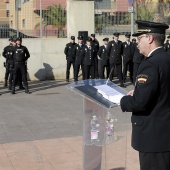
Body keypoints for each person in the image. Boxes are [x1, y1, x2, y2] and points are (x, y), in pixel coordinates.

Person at [120, 20, 170, 170]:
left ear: (150, 38)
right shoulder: (167, 58)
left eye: (139, 38)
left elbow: (140, 102)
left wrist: (122, 100)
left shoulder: (150, 63)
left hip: (153, 137)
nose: (136, 43)